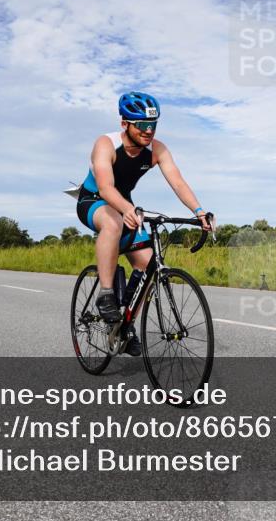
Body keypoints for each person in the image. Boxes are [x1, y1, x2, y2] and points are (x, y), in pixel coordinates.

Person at [76, 92, 210, 356]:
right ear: (125, 123)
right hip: (94, 200)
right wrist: (126, 208)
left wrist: (198, 211)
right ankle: (105, 293)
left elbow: (178, 182)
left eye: (153, 125)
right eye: (143, 125)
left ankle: (125, 327)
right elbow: (105, 187)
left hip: (124, 203)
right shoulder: (105, 144)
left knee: (148, 265)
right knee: (113, 223)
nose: (149, 131)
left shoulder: (157, 150)